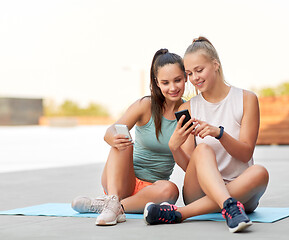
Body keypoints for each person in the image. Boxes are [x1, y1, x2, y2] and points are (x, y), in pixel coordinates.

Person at [144, 37, 269, 233]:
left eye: (199, 70)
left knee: (260, 172)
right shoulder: (189, 108)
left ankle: (180, 213)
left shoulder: (247, 99)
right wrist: (174, 148)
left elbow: (245, 154)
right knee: (202, 150)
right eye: (189, 73)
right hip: (200, 191)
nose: (194, 78)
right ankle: (229, 206)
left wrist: (219, 134)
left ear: (215, 64)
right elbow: (189, 167)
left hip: (241, 187)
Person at [71, 48, 188, 226]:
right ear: (157, 83)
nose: (172, 88)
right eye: (165, 82)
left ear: (186, 77)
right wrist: (113, 138)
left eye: (177, 80)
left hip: (151, 189)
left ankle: (111, 206)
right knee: (122, 138)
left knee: (171, 190)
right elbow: (110, 131)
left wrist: (176, 146)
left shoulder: (188, 112)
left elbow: (188, 164)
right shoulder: (145, 105)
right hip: (121, 181)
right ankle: (112, 199)